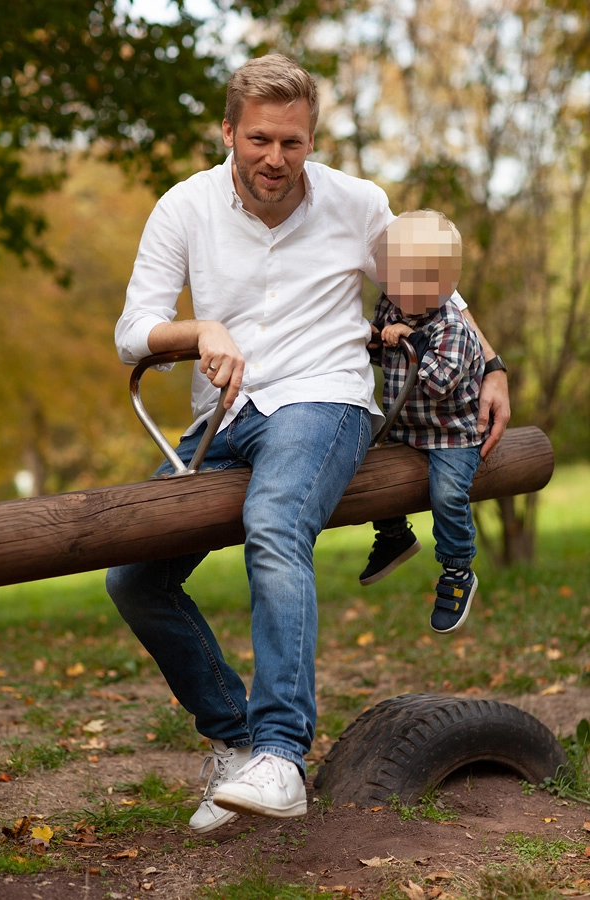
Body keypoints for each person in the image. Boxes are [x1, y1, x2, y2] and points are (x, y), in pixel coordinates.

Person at [106, 55, 510, 834]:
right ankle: (234, 736)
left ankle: (282, 755)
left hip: (322, 398)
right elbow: (133, 333)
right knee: (132, 578)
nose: (275, 159)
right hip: (222, 417)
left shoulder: (358, 203)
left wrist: (490, 364)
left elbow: (435, 291)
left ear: (311, 139)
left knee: (276, 520)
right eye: (258, 139)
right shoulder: (183, 207)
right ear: (228, 131)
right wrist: (201, 331)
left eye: (293, 143)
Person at [360, 209, 488, 633]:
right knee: (365, 462)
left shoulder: (452, 327)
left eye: (425, 280)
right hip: (404, 426)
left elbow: (437, 383)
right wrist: (378, 337)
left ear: (449, 284)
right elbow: (377, 355)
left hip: (450, 434)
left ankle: (456, 570)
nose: (409, 290)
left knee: (448, 495)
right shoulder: (390, 304)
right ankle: (394, 533)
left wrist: (407, 340)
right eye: (399, 277)